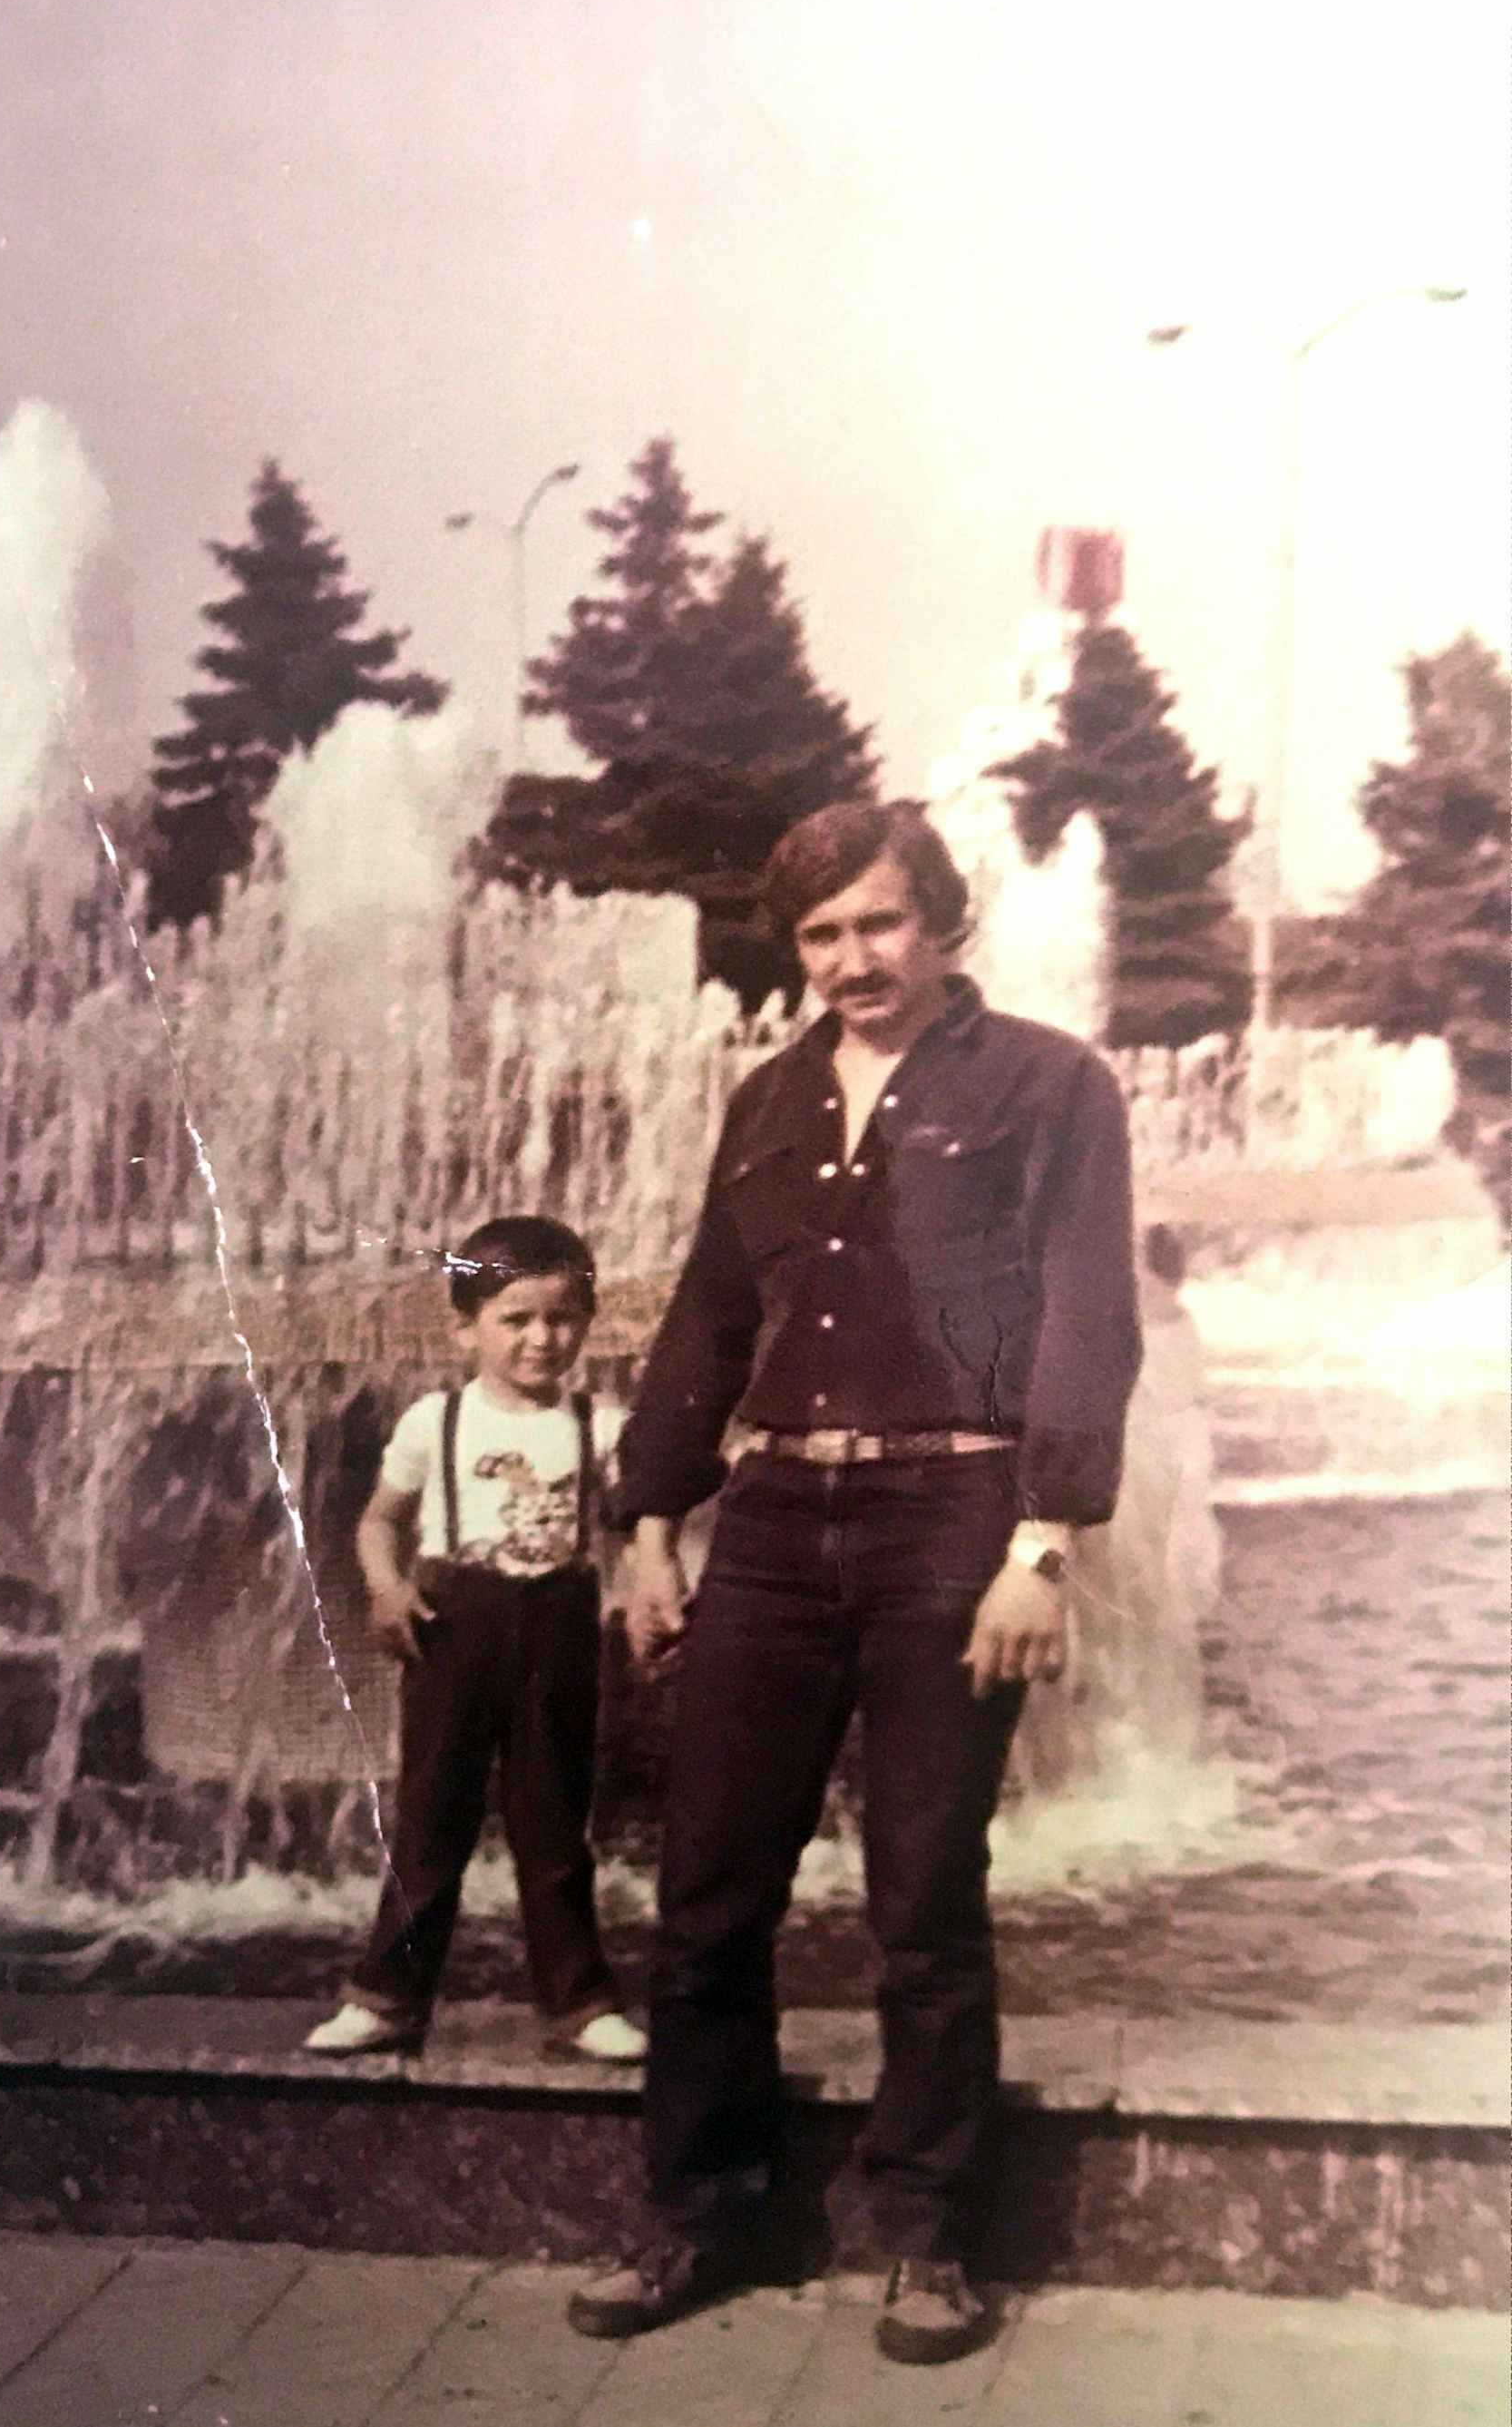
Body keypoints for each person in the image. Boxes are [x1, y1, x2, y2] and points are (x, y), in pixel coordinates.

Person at [566, 801, 1143, 2362]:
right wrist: (649, 1522)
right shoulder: (766, 1099)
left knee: (923, 1897)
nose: (851, 958)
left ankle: (927, 2237)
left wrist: (1042, 1545)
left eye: (880, 922)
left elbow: (1088, 1318)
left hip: (952, 1520)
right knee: (707, 1893)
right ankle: (701, 2210)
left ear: (941, 921)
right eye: (821, 934)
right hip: (772, 1523)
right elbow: (709, 1319)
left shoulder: (1048, 1086)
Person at [304, 1214, 646, 2065]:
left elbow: (640, 1523)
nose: (541, 1338)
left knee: (554, 1824)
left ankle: (580, 2002)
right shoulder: (437, 1420)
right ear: (467, 1328)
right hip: (454, 1627)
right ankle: (388, 1998)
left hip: (559, 1627)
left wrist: (649, 1582)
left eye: (562, 1318)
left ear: (588, 1323)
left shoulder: (600, 1424)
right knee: (431, 1818)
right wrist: (386, 1588)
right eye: (516, 1319)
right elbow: (378, 1521)